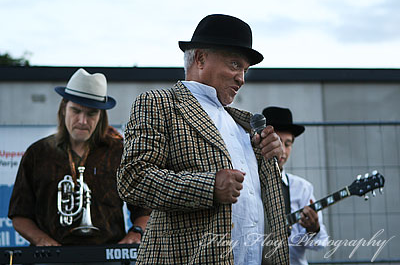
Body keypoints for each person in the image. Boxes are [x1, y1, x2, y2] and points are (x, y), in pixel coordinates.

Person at [117, 14, 289, 264]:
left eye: (245, 70)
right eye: (234, 64)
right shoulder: (160, 103)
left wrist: (268, 160)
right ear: (200, 58)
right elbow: (133, 178)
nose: (241, 78)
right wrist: (209, 186)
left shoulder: (243, 124)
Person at [8, 68, 150, 248]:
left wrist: (136, 233)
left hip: (108, 257)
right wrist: (42, 241)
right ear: (63, 109)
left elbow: (145, 209)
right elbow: (20, 215)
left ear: (101, 116)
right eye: (76, 111)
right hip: (51, 260)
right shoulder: (37, 153)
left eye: (91, 114)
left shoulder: (120, 152)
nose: (82, 121)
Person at [262, 106, 328, 265]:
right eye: (277, 142)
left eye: (288, 143)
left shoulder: (302, 188)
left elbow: (321, 243)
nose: (283, 151)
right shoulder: (249, 184)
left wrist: (313, 229)